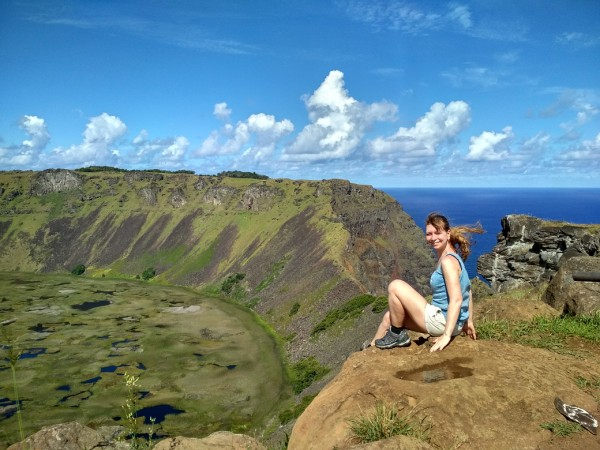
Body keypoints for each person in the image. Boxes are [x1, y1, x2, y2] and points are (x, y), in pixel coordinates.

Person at [362, 212, 483, 352]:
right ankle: (370, 348)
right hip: (453, 322)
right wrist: (468, 321)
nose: (433, 238)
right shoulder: (453, 257)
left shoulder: (447, 262)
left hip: (442, 321)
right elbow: (468, 290)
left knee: (395, 286)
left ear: (448, 233)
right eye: (429, 234)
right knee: (389, 317)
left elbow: (456, 299)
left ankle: (396, 336)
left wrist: (446, 335)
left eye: (437, 233)